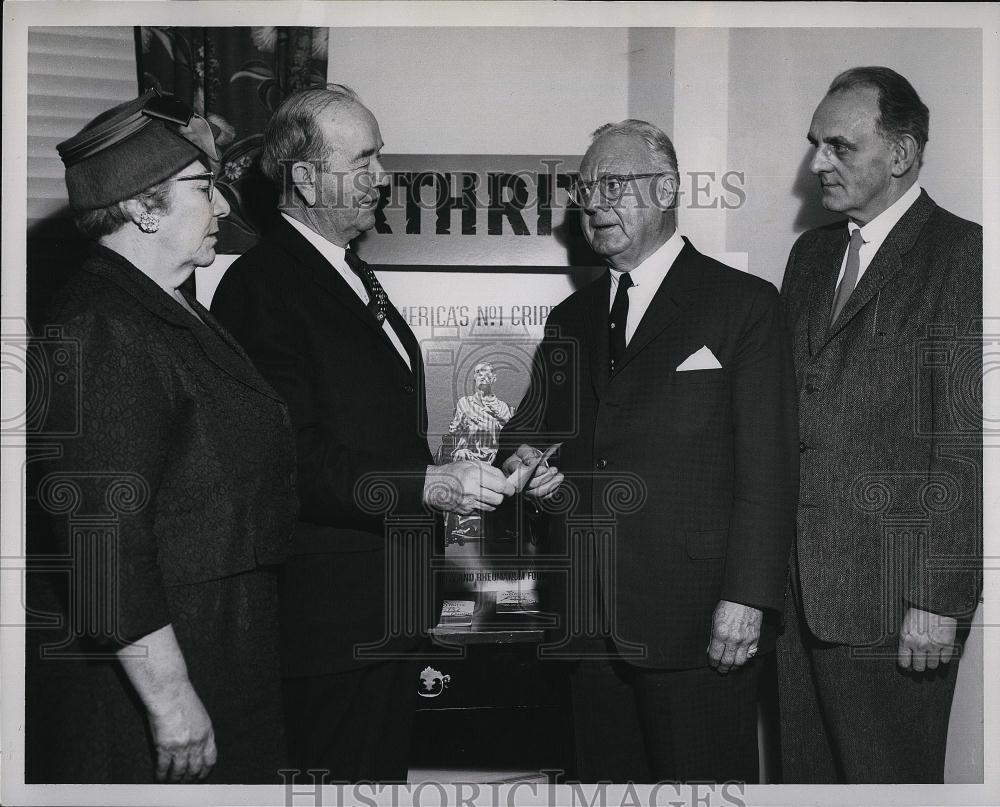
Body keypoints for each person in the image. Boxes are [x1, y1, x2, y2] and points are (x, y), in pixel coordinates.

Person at [209, 85, 517, 782]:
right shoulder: (263, 285)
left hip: (384, 610)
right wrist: (432, 484)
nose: (384, 177)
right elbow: (289, 457)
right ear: (308, 178)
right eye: (367, 160)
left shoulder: (345, 271)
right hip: (332, 625)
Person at [500, 119, 798, 782]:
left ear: (666, 189)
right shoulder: (570, 319)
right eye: (584, 190)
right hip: (586, 626)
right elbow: (525, 431)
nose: (594, 205)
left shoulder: (742, 305)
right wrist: (525, 466)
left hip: (697, 626)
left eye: (613, 184)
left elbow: (770, 468)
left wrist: (747, 598)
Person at [26, 89, 298, 783]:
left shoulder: (167, 309)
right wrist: (170, 699)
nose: (225, 207)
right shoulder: (103, 328)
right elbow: (100, 538)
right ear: (143, 208)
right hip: (162, 680)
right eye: (204, 189)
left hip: (219, 646)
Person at [777, 66, 982, 784]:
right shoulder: (809, 257)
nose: (816, 164)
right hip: (798, 599)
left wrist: (937, 592)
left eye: (839, 146)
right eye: (814, 144)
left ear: (900, 155)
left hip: (898, 607)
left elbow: (966, 442)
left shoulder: (965, 255)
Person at [445, 362, 514, 464]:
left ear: (493, 379)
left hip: (494, 455)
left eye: (486, 373)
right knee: (461, 456)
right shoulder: (464, 402)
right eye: (478, 373)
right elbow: (454, 431)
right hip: (469, 454)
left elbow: (510, 435)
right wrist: (465, 420)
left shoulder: (502, 406)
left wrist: (497, 416)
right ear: (474, 378)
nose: (482, 376)